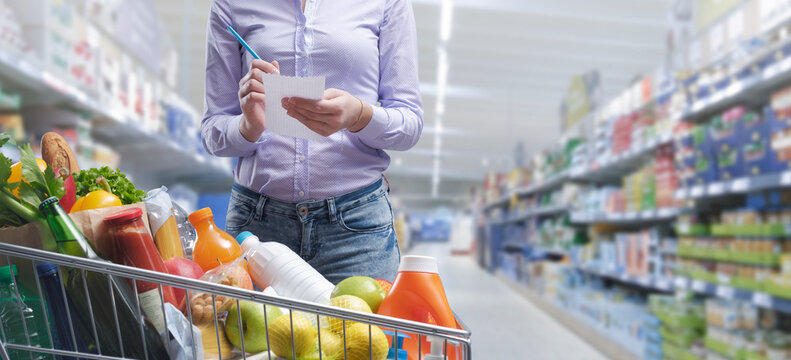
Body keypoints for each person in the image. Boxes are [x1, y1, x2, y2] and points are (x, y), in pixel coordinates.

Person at [201, 0, 423, 283]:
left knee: (361, 315)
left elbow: (409, 123)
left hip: (356, 231)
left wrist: (360, 115)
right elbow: (213, 130)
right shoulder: (230, 4)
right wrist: (248, 127)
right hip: (256, 229)